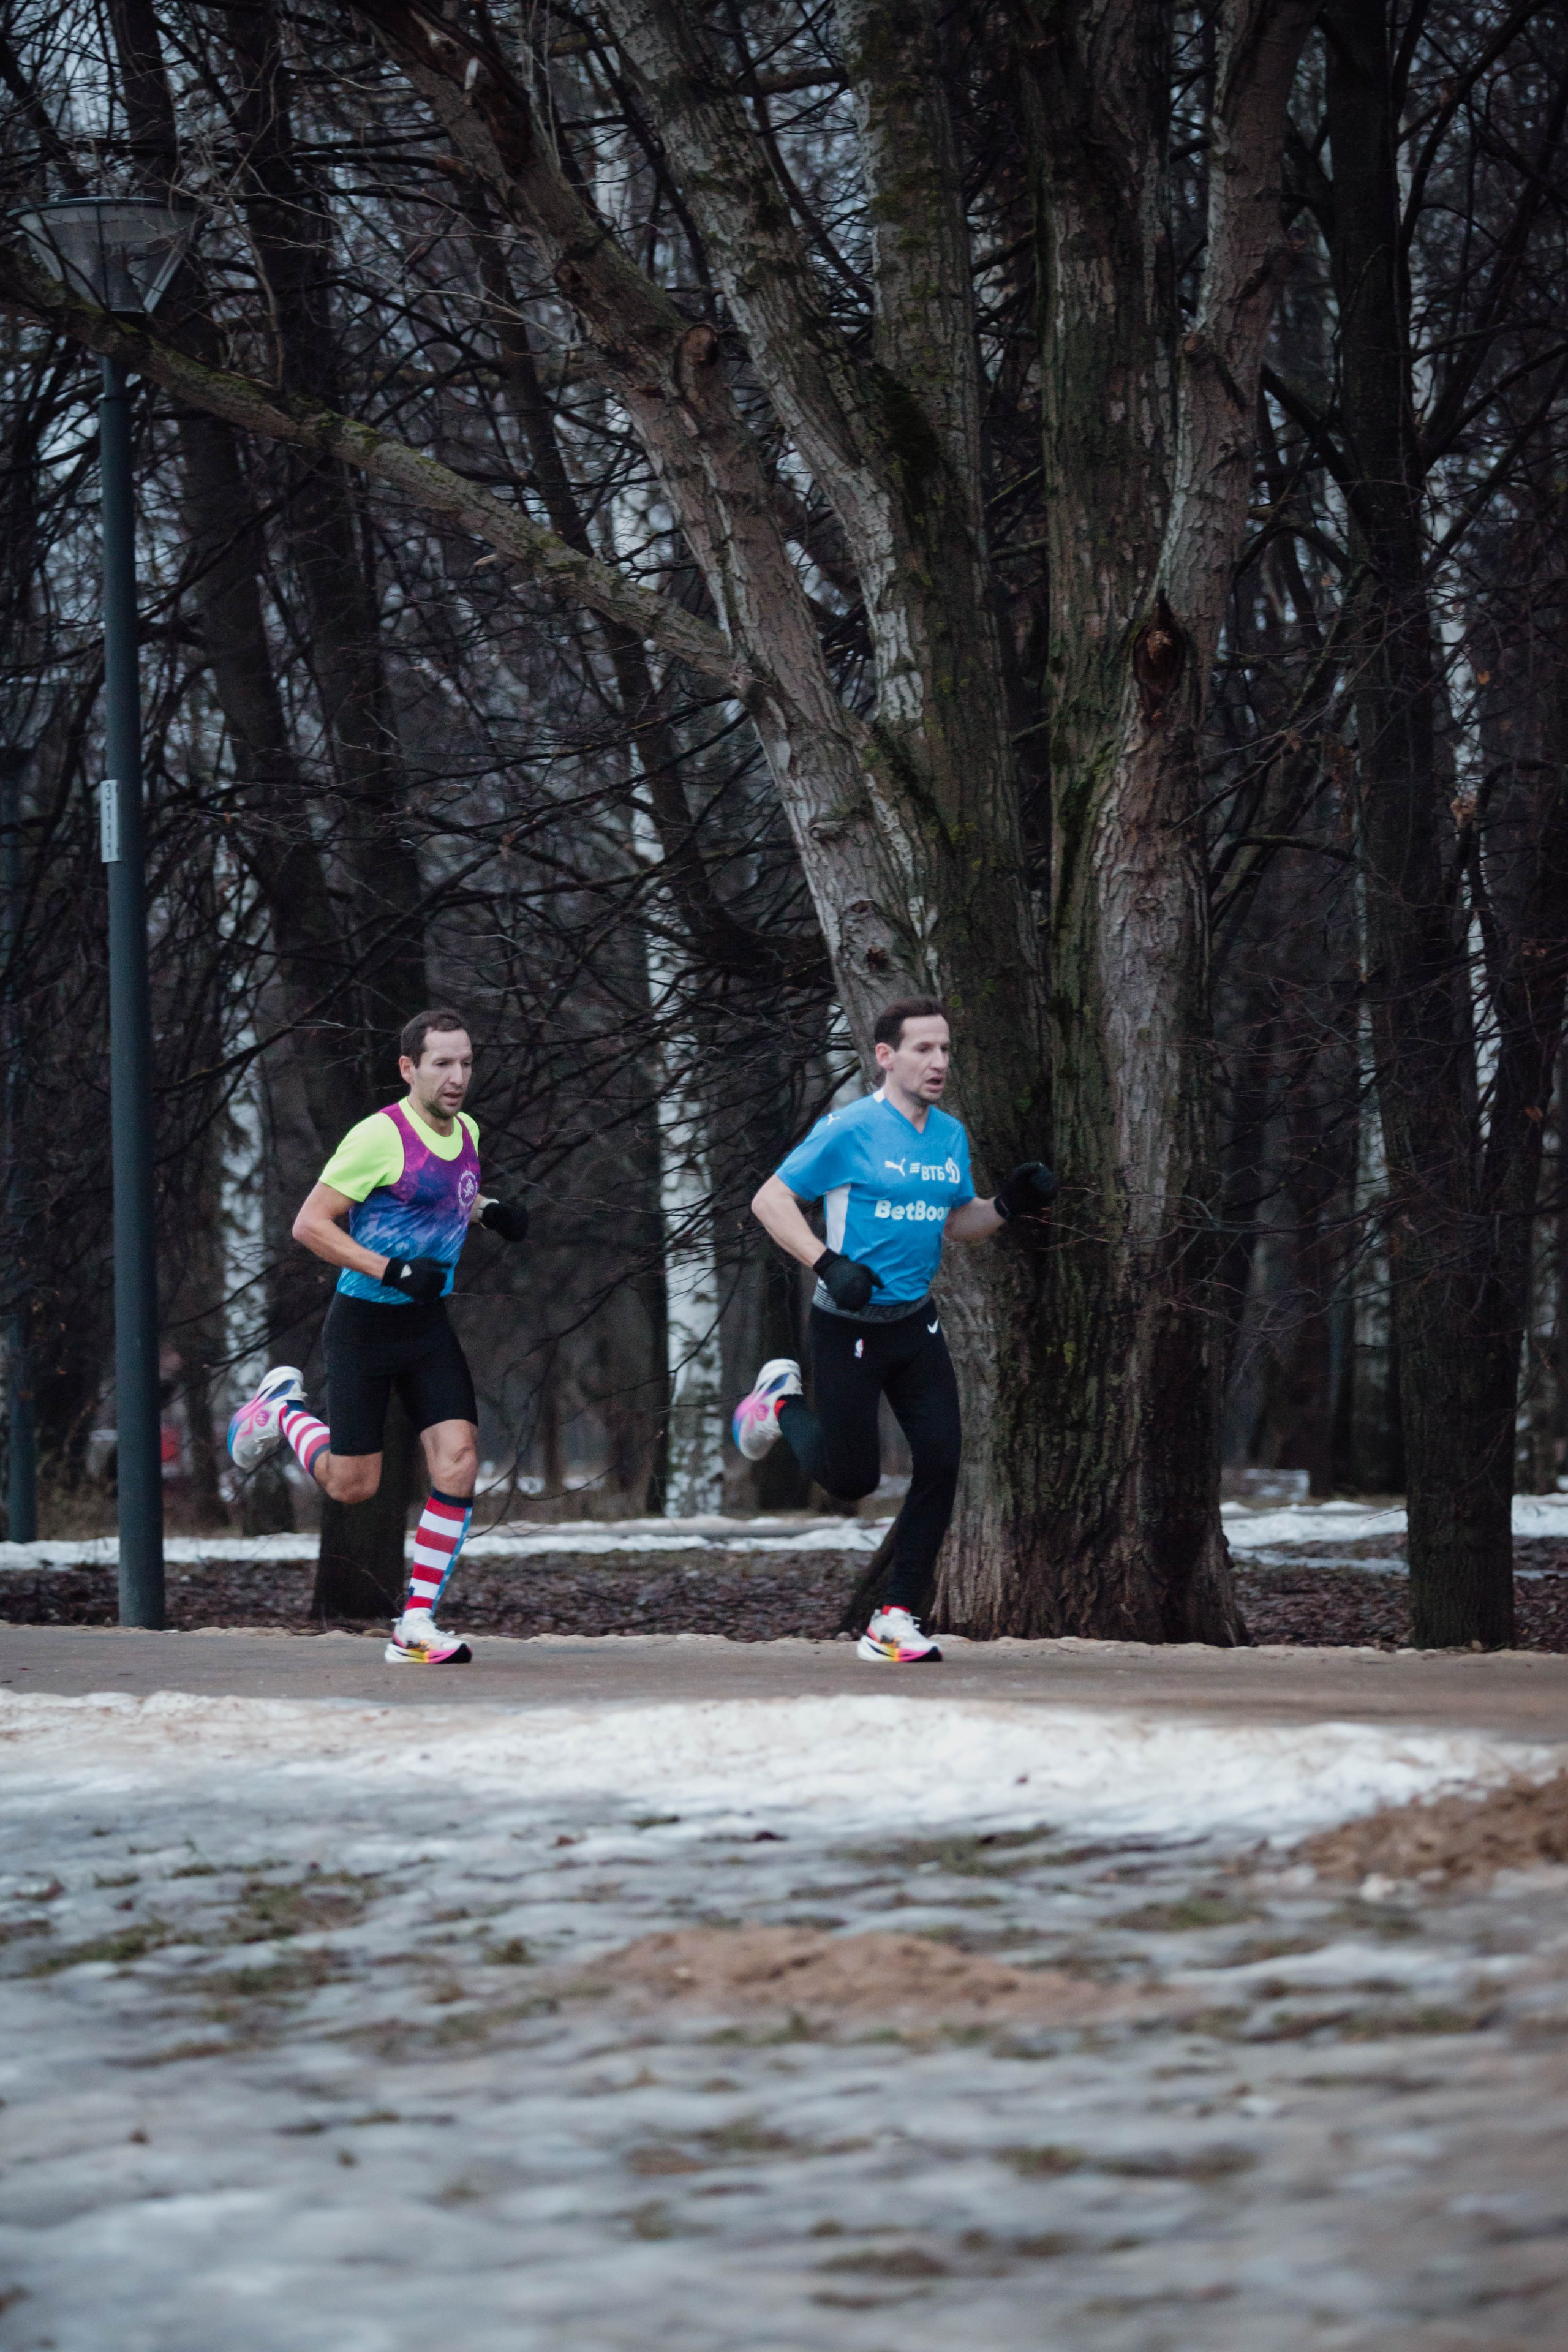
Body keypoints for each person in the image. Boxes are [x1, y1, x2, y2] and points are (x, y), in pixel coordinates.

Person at [732, 997, 1055, 1663]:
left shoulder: (949, 1136)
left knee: (941, 1461)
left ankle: (895, 1616)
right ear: (886, 1056)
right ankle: (778, 1404)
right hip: (846, 1326)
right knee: (851, 1481)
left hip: (914, 1324)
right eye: (922, 1050)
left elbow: (954, 1222)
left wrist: (1004, 1206)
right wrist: (826, 1261)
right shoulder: (849, 1128)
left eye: (944, 1050)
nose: (938, 1063)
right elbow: (770, 1200)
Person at [225, 1009, 529, 1664]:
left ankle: (414, 1624)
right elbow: (310, 1225)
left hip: (425, 1324)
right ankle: (280, 1411)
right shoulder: (377, 1137)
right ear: (408, 1068)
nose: (456, 1078)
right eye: (441, 1064)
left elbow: (440, 1196)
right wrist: (391, 1268)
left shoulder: (467, 1130)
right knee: (353, 1485)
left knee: (460, 1458)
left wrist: (489, 1211)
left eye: (465, 1063)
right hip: (363, 1324)